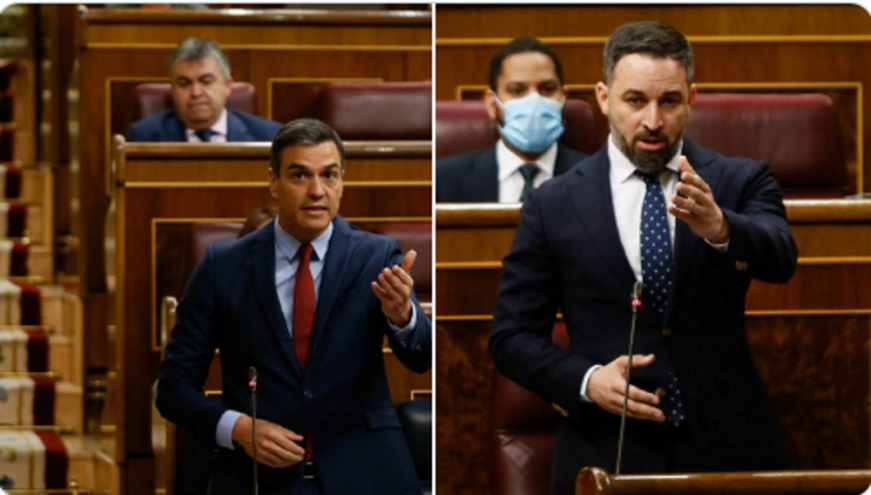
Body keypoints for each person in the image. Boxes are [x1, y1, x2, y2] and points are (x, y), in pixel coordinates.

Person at [490, 21, 797, 494]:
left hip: (729, 445)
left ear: (691, 97)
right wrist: (588, 381)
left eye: (669, 101)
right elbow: (511, 337)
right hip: (605, 450)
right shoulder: (552, 203)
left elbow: (781, 259)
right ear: (603, 96)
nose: (653, 120)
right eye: (635, 100)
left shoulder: (740, 181)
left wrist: (720, 228)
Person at [157, 119, 431, 494]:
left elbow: (422, 357)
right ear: (274, 182)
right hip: (258, 476)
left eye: (329, 176)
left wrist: (403, 318)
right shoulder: (223, 266)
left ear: (342, 182)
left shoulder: (376, 256)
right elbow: (173, 389)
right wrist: (238, 428)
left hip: (366, 472)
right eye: (300, 175)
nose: (317, 191)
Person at [436, 37, 586, 203]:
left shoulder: (597, 177)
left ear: (563, 98)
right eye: (517, 91)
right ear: (492, 104)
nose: (534, 101)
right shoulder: (444, 180)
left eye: (547, 89)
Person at [128, 37, 281, 142]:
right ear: (173, 90)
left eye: (206, 81)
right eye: (184, 83)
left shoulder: (268, 137)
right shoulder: (144, 137)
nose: (196, 92)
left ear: (228, 86)